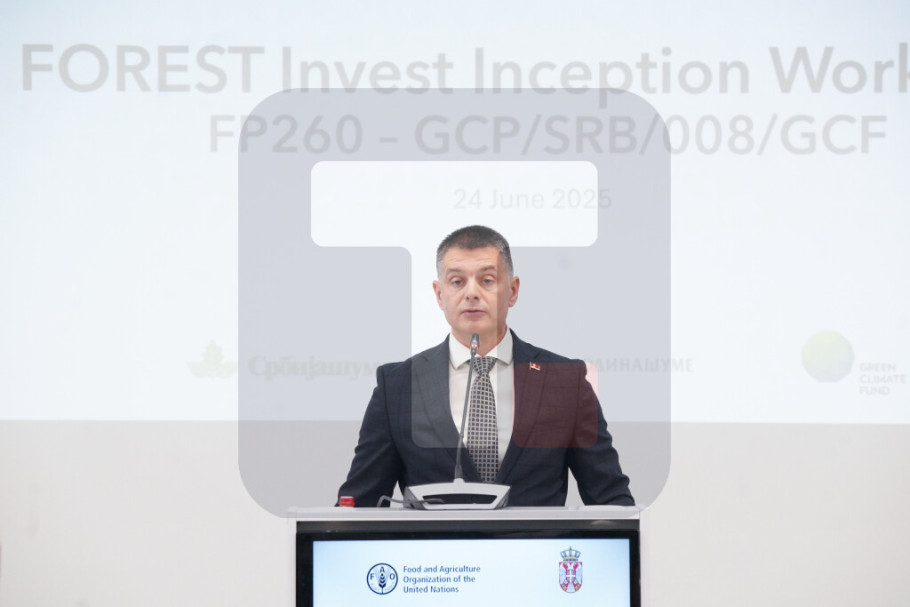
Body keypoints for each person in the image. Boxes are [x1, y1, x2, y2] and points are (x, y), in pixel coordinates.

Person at [338, 225, 633, 507]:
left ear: (513, 291)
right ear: (439, 295)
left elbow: (611, 500)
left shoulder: (566, 382)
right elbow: (359, 503)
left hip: (536, 544)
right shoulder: (398, 385)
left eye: (487, 280)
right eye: (457, 282)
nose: (472, 293)